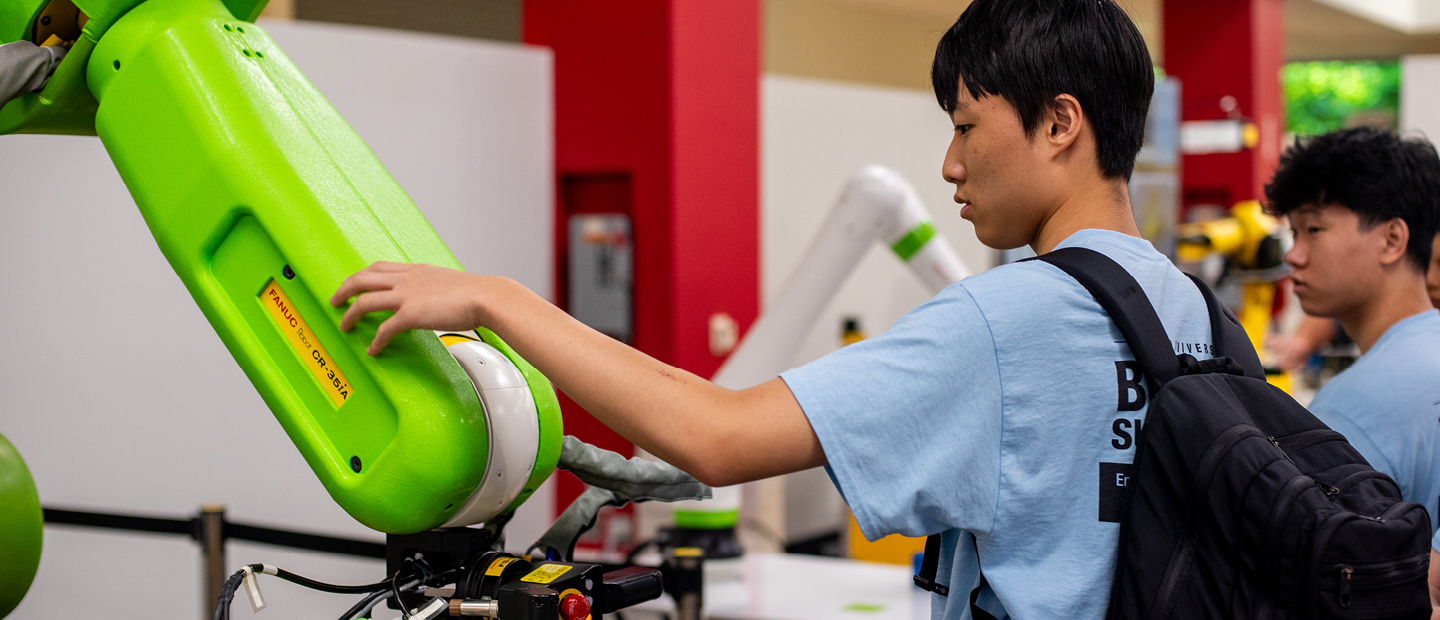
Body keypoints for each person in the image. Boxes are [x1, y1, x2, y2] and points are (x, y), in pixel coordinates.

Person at [331, 1, 1203, 617]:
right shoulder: (1193, 314)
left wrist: (498, 299)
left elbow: (719, 435)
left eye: (967, 127)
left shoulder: (1004, 322)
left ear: (1060, 124)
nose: (948, 164)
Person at [1263, 127, 1440, 613]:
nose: (1293, 255)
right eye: (1293, 233)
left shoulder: (1353, 407)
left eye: (1313, 230)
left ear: (1391, 239)